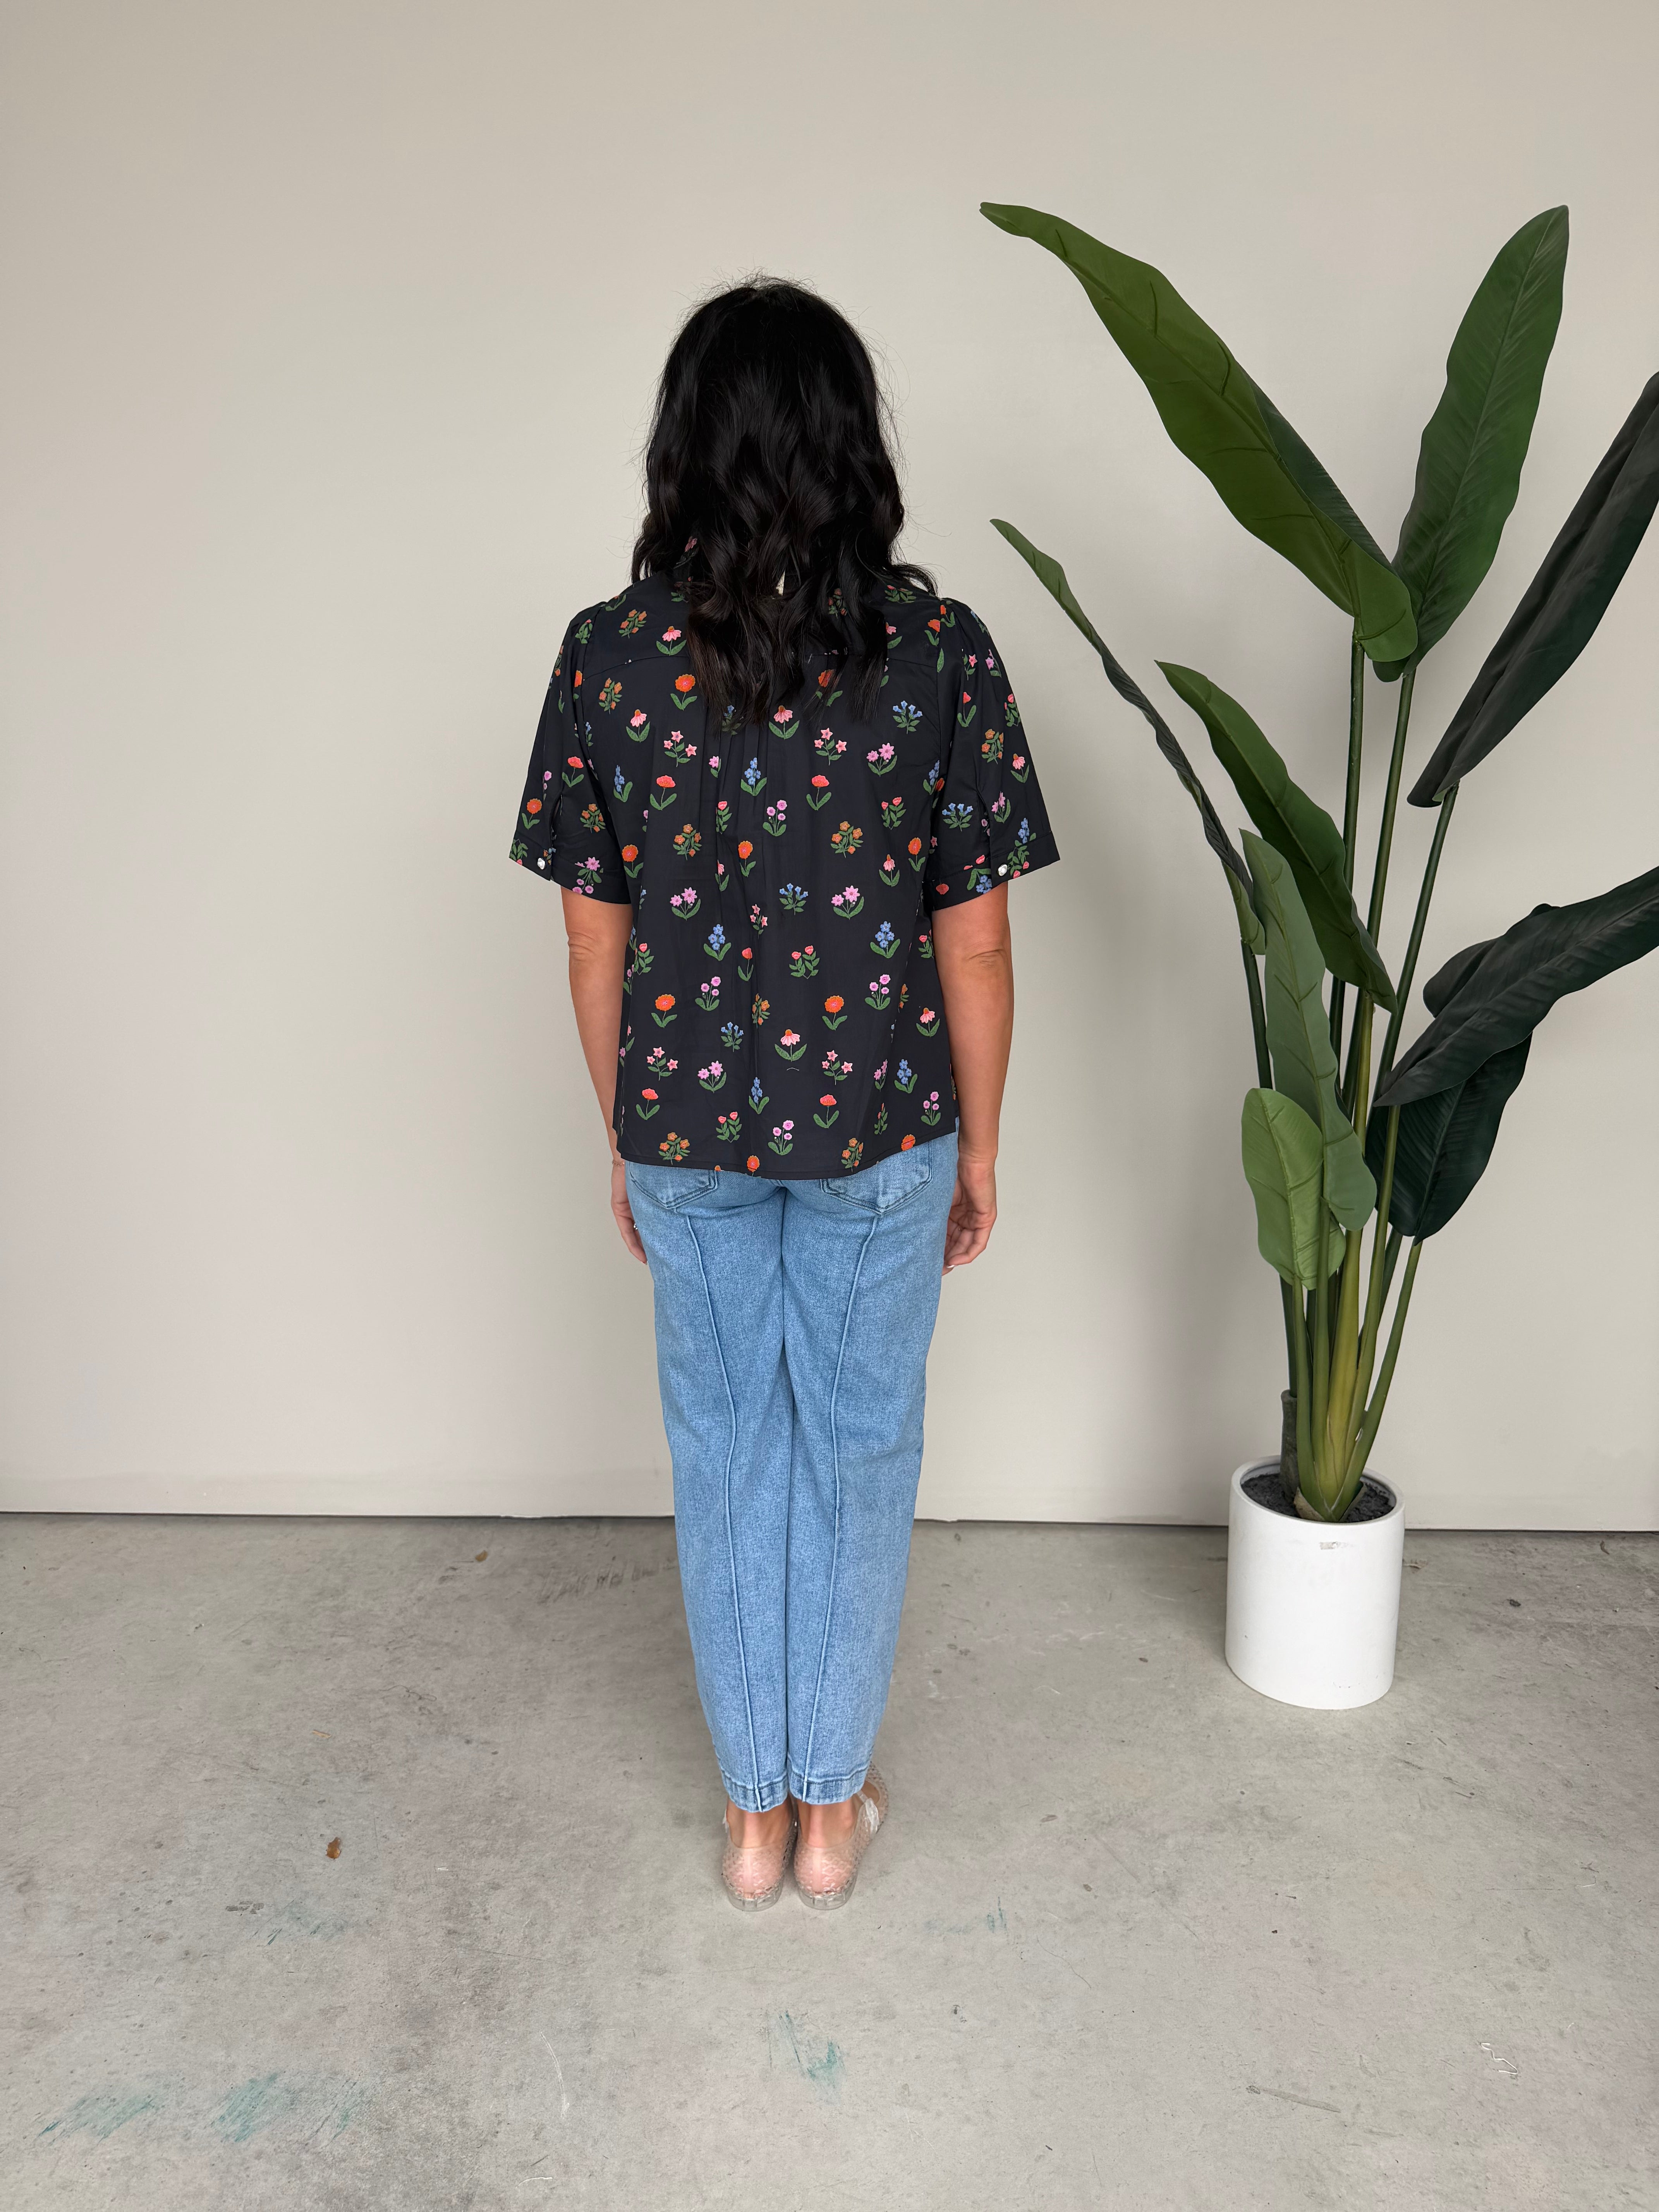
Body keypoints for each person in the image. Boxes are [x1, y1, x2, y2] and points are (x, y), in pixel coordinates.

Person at [510, 279, 1058, 1911]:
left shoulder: (609, 657)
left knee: (727, 1450)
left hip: (683, 1131)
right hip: (883, 1133)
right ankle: (830, 1817)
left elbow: (592, 943)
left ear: (682, 447)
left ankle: (750, 1822)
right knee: (861, 1451)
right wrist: (982, 1145)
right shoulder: (938, 653)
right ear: (851, 445)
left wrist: (627, 1132)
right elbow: (977, 940)